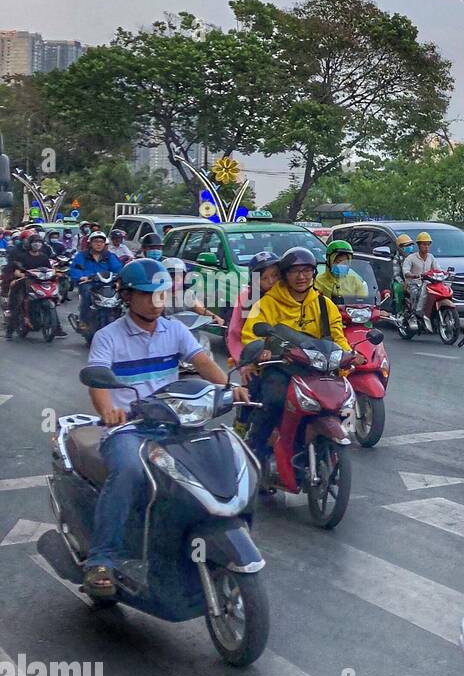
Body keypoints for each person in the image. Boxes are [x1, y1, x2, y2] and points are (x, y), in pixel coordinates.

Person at [81, 258, 249, 598]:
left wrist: (231, 390)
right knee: (128, 471)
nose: (155, 301)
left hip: (174, 422)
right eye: (146, 295)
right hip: (129, 427)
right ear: (127, 296)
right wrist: (109, 411)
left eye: (160, 294)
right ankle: (102, 559)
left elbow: (203, 363)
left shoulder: (175, 330)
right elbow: (97, 382)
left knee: (226, 455)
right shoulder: (107, 337)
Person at [241, 246, 350, 467]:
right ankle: (256, 452)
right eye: (294, 271)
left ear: (313, 273)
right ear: (285, 275)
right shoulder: (267, 303)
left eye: (306, 270)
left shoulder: (324, 304)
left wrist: (350, 356)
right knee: (274, 400)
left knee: (337, 401)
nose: (301, 276)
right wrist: (261, 349)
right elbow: (251, 333)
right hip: (281, 368)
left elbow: (338, 337)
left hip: (315, 370)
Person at [4, 228, 65, 337]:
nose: (37, 245)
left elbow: (50, 269)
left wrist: (57, 273)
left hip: (41, 283)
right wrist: (23, 275)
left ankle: (57, 328)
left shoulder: (44, 257)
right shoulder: (22, 256)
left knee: (52, 300)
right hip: (26, 283)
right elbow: (16, 271)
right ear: (29, 244)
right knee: (18, 302)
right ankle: (10, 329)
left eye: (39, 242)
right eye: (34, 242)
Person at [225, 251, 280, 364]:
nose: (271, 281)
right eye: (264, 278)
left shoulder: (290, 294)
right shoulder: (248, 299)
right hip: (256, 358)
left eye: (275, 275)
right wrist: (245, 362)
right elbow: (236, 332)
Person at [69, 230, 125, 332]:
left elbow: (118, 269)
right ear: (90, 243)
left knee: (122, 295)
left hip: (107, 283)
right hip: (89, 283)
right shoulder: (82, 256)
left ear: (105, 244)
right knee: (86, 293)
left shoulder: (110, 256)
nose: (99, 244)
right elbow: (75, 269)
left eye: (101, 242)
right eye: (96, 241)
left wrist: (118, 279)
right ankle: (83, 320)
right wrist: (82, 277)